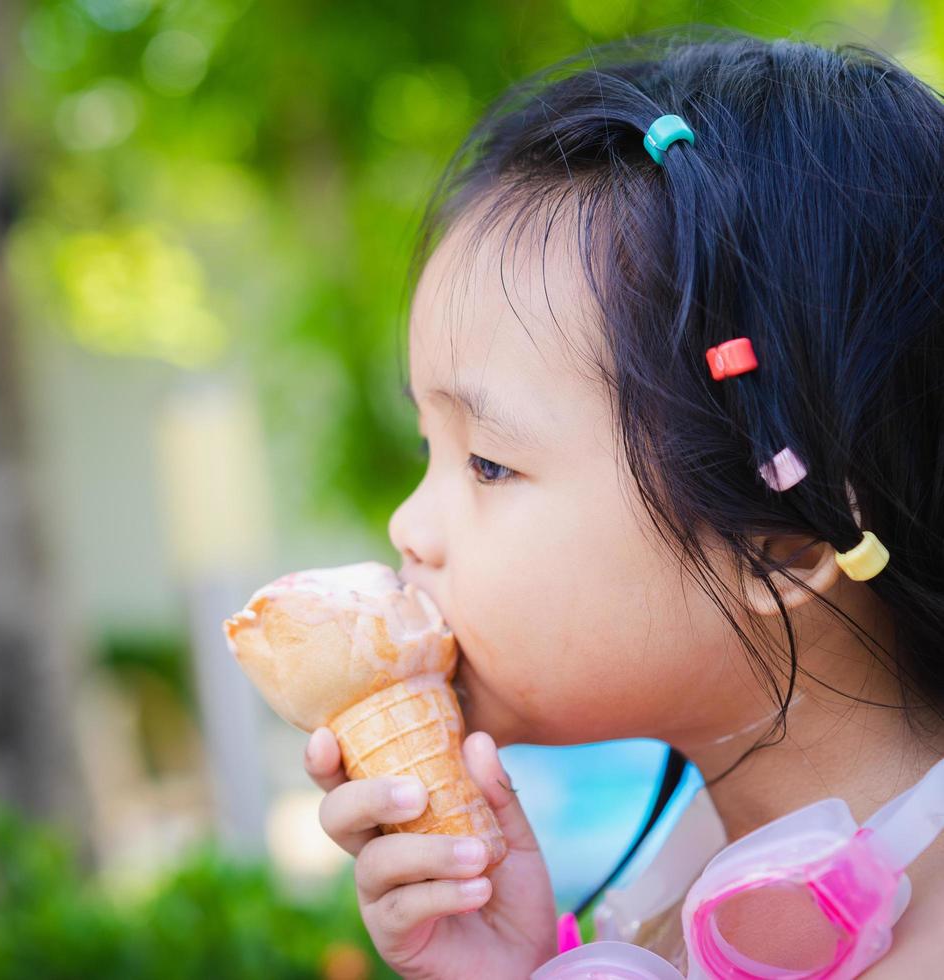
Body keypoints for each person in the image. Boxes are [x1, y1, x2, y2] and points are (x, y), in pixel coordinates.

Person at [301, 25, 944, 979]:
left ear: (783, 546)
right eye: (429, 451)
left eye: (485, 464)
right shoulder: (655, 910)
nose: (408, 529)